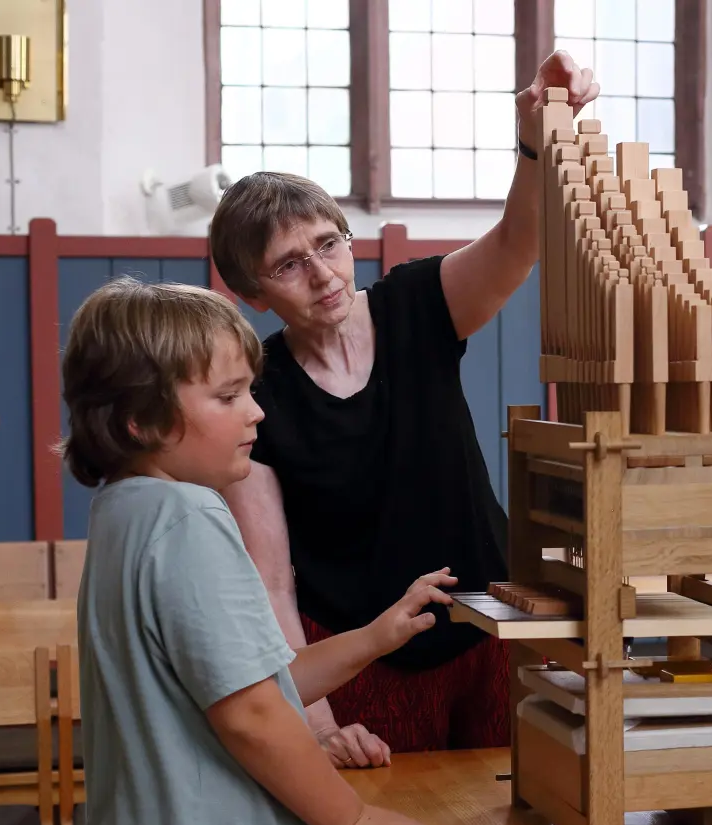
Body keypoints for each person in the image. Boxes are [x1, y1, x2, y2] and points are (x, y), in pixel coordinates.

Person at [209, 51, 600, 767]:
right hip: (362, 658)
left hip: (492, 628)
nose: (322, 273)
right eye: (290, 264)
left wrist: (535, 141)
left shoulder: (418, 304)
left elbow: (519, 241)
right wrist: (317, 724)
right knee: (396, 821)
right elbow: (271, 583)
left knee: (517, 811)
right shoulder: (259, 395)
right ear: (252, 294)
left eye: (328, 244)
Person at [61, 278, 462, 825]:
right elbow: (250, 715)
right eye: (228, 396)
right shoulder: (188, 517)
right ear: (139, 419)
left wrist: (375, 637)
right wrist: (354, 819)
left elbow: (255, 685)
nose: (256, 411)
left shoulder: (123, 510)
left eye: (250, 389)